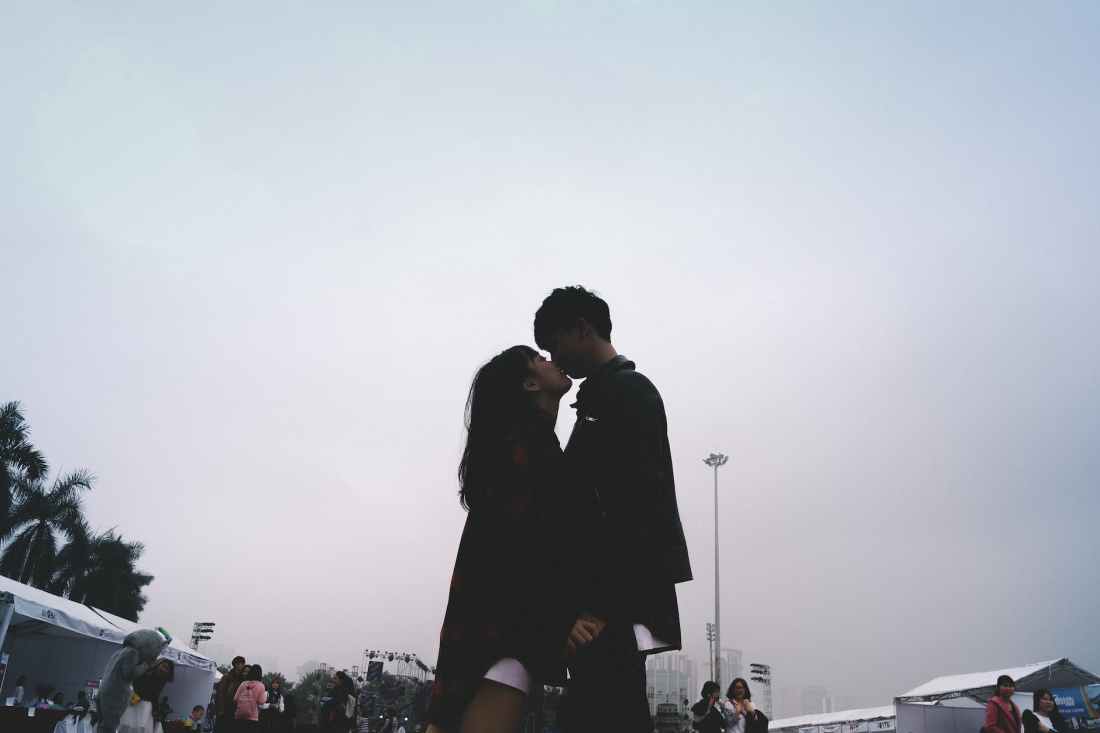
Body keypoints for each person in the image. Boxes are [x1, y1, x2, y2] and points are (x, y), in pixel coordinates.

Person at [533, 286, 693, 733]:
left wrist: (599, 607)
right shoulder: (603, 397)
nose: (555, 358)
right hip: (602, 606)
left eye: (555, 345)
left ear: (582, 330)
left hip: (607, 611)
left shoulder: (628, 393)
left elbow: (640, 508)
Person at [425, 345, 579, 733]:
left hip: (488, 631)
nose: (552, 359)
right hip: (502, 634)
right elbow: (536, 549)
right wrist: (567, 620)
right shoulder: (527, 450)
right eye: (540, 359)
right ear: (529, 384)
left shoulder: (521, 446)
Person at [119, 658, 175, 733]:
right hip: (136, 701)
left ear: (169, 672)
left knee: (141, 728)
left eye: (166, 668)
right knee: (129, 725)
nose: (163, 669)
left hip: (145, 705)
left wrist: (155, 710)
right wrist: (136, 694)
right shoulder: (148, 671)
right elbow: (135, 682)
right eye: (163, 666)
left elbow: (155, 695)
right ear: (158, 664)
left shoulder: (162, 679)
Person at [216, 657, 247, 733]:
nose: (241, 665)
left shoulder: (243, 678)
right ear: (235, 664)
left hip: (236, 709)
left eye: (243, 663)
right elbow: (220, 693)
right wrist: (221, 710)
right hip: (226, 707)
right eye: (239, 663)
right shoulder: (227, 676)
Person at [234, 664, 268, 732]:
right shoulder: (261, 685)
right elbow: (261, 701)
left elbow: (235, 698)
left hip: (239, 715)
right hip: (252, 717)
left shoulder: (243, 683)